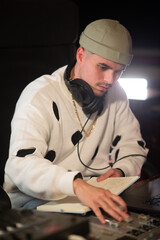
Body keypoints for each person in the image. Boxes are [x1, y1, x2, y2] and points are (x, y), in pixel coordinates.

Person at [4, 19, 148, 224]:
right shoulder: (39, 95)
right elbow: (20, 164)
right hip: (35, 206)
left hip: (92, 200)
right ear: (80, 55)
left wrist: (121, 169)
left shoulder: (117, 93)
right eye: (103, 67)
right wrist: (77, 185)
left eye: (118, 71)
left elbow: (133, 146)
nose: (110, 80)